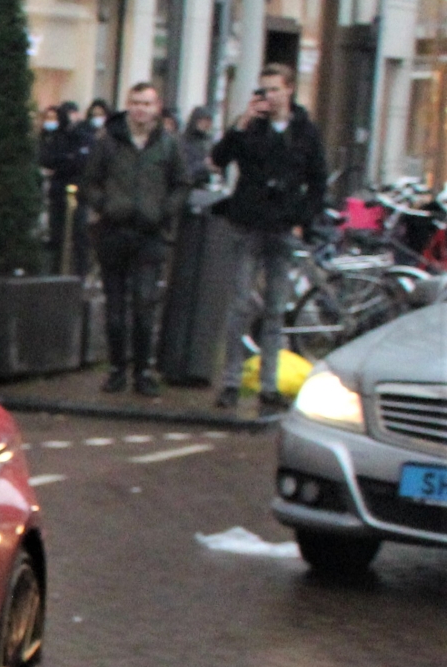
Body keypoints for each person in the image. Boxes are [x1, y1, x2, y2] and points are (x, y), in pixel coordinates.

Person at [211, 64, 328, 413]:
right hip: (248, 222)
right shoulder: (252, 127)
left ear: (290, 89)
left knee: (276, 308)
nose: (269, 96)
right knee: (240, 304)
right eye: (264, 90)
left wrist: (302, 219)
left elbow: (318, 179)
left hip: (282, 226)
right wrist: (241, 123)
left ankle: (269, 383)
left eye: (275, 89)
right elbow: (220, 158)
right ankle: (231, 381)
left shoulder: (305, 131)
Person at [83, 82, 188, 397]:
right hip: (113, 232)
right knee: (115, 307)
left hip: (150, 235)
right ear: (128, 105)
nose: (141, 109)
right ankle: (117, 369)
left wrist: (164, 212)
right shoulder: (108, 143)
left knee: (144, 304)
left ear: (156, 108)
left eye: (147, 103)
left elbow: (182, 183)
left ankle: (143, 371)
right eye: (136, 102)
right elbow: (90, 180)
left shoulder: (168, 145)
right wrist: (104, 205)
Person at [41, 102, 89, 273]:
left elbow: (82, 162)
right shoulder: (55, 138)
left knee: (79, 236)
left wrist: (66, 160)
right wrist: (67, 159)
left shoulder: (84, 136)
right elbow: (47, 159)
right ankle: (55, 272)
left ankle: (80, 274)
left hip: (79, 192)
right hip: (57, 192)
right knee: (57, 236)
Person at [179, 106, 216, 184]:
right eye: (204, 121)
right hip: (189, 184)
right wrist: (204, 164)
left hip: (206, 183)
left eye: (209, 121)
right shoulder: (184, 141)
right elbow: (185, 167)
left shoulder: (208, 141)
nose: (206, 125)